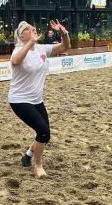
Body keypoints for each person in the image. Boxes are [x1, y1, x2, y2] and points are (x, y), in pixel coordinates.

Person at [10, 20, 70, 178]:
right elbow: (15, 61)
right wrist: (30, 43)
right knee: (43, 132)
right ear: (21, 36)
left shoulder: (42, 48)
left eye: (32, 27)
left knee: (45, 134)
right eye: (27, 29)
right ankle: (37, 166)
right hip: (19, 100)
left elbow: (65, 47)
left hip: (36, 99)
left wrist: (63, 33)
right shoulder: (19, 49)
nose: (32, 29)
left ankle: (28, 156)